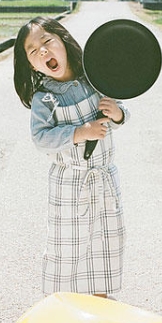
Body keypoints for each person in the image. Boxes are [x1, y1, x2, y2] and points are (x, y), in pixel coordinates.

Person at [13, 16, 130, 298]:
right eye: (33, 50)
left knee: (107, 242)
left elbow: (119, 108)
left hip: (103, 180)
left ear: (64, 42)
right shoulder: (45, 99)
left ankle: (101, 306)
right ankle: (62, 308)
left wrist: (118, 114)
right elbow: (41, 138)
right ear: (31, 65)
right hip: (70, 184)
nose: (42, 51)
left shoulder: (95, 78)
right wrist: (80, 132)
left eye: (47, 41)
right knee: (66, 247)